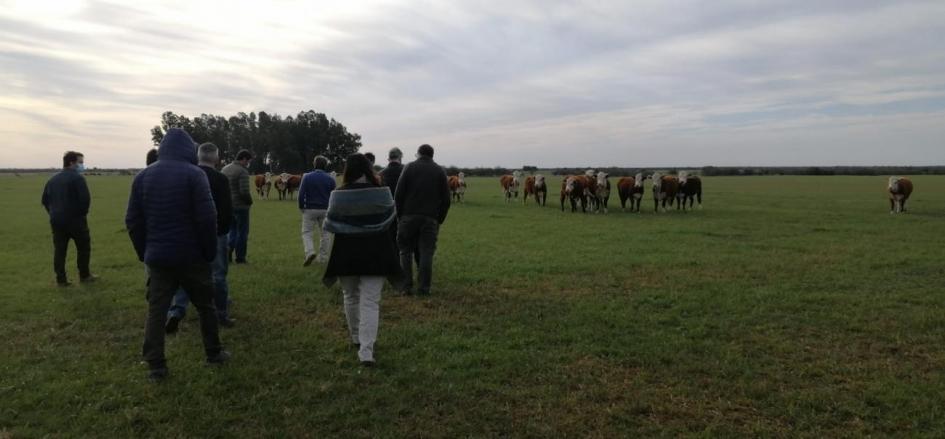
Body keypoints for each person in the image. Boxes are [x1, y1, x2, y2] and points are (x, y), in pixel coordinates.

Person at [126, 128, 229, 381]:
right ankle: (213, 352)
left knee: (157, 310)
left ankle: (156, 365)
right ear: (188, 150)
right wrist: (208, 251)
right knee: (206, 306)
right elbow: (207, 218)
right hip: (192, 256)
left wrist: (145, 252)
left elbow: (133, 221)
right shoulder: (195, 175)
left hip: (158, 258)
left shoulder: (142, 177)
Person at [323, 153, 402, 366]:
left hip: (345, 253)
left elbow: (329, 224)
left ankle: (356, 338)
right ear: (369, 169)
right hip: (376, 252)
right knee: (370, 301)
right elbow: (391, 219)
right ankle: (366, 351)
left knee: (350, 296)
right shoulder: (382, 192)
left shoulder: (337, 194)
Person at [166, 143, 235, 332]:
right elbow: (227, 210)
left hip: (188, 235)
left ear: (198, 156)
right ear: (216, 158)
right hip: (215, 233)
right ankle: (221, 313)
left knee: (185, 275)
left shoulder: (186, 176)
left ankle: (176, 312)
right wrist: (224, 231)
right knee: (218, 275)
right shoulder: (220, 179)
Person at [394, 144, 450, 296]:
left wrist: (400, 216)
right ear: (432, 155)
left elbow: (398, 194)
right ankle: (424, 289)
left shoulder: (409, 167)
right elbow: (446, 199)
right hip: (430, 218)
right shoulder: (440, 171)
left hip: (408, 216)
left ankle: (406, 287)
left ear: (418, 154)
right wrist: (439, 219)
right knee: (426, 253)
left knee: (405, 252)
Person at [41, 151, 97, 286]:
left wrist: (53, 213)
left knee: (60, 250)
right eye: (80, 162)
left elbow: (44, 200)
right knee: (83, 248)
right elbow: (85, 200)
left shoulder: (52, 179)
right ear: (72, 163)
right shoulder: (78, 179)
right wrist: (82, 214)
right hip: (76, 220)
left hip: (56, 221)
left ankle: (61, 279)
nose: (82, 166)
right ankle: (84, 275)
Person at [298, 155, 336, 266]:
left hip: (309, 209)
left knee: (307, 232)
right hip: (326, 209)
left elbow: (301, 194)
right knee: (325, 234)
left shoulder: (306, 177)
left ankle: (309, 252)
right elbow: (334, 195)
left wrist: (301, 206)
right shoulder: (330, 179)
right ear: (325, 165)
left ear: (314, 164)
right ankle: (323, 258)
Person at [222, 149, 254, 264]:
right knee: (242, 232)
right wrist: (250, 202)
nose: (248, 163)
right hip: (241, 207)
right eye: (248, 161)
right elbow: (244, 191)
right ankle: (240, 258)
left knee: (232, 231)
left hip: (228, 205)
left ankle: (227, 251)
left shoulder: (224, 169)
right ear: (244, 159)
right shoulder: (242, 171)